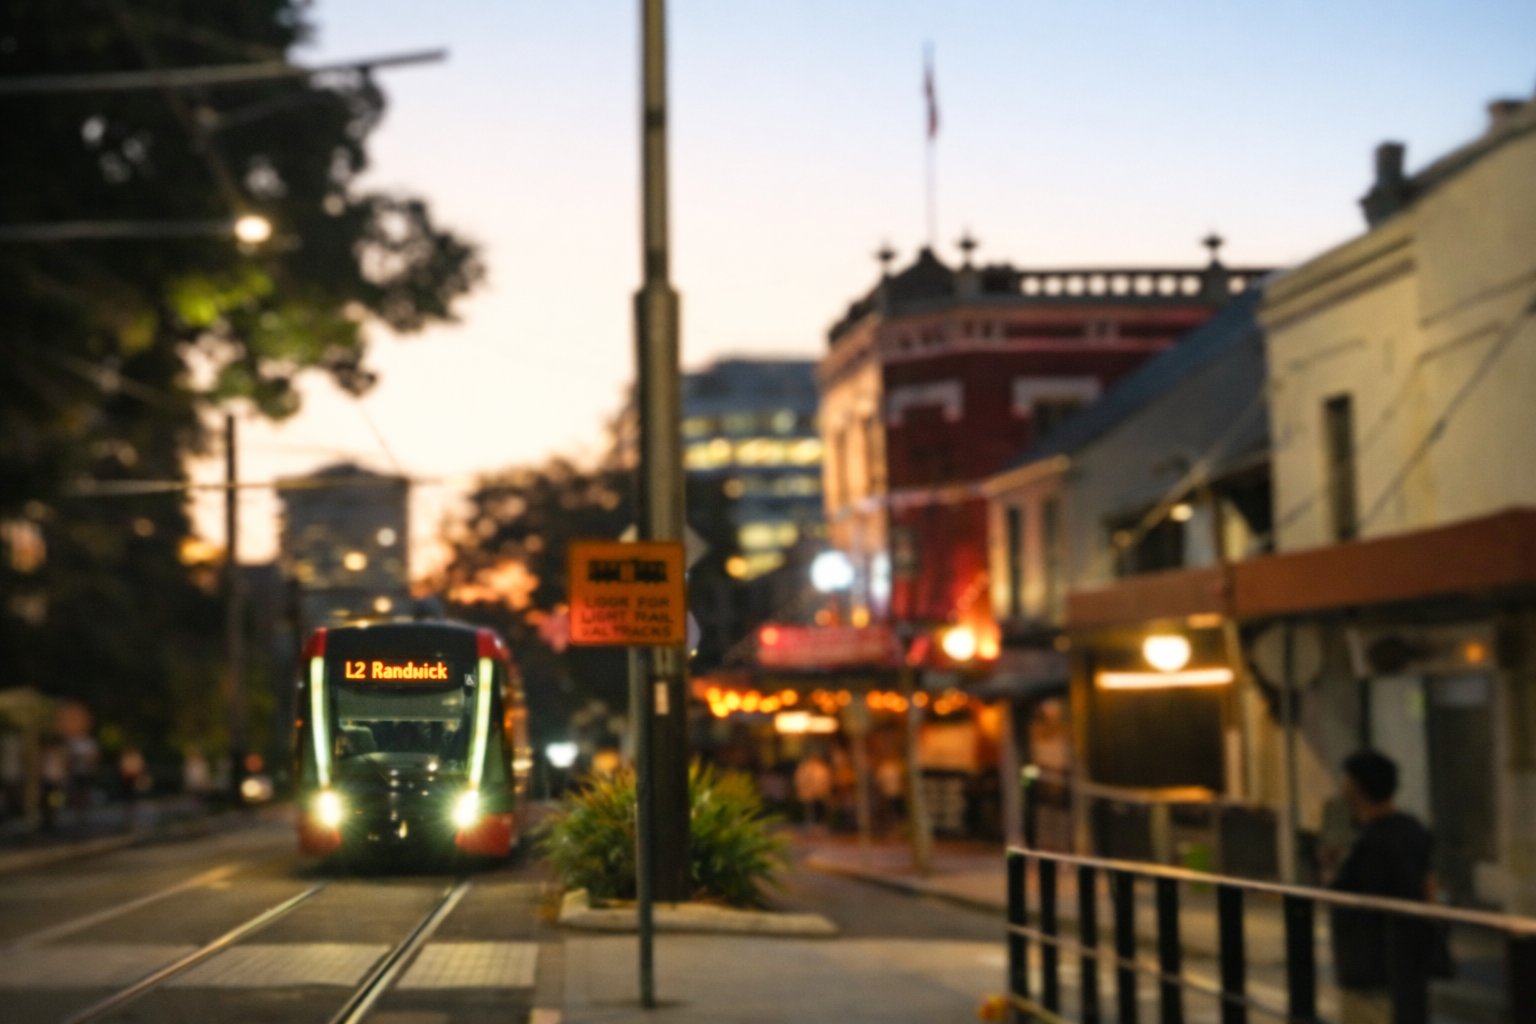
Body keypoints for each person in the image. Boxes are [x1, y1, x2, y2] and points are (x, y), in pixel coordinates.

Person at [1329, 750, 1438, 1024]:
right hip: (1410, 965)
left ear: (1355, 788)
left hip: (1368, 970)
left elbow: (1349, 898)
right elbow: (1429, 887)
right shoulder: (1412, 830)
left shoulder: (1369, 845)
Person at [793, 751, 832, 827]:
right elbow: (800, 780)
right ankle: (810, 822)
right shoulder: (805, 767)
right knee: (810, 808)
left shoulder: (822, 768)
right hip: (809, 792)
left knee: (821, 807)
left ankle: (821, 822)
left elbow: (825, 780)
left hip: (821, 793)